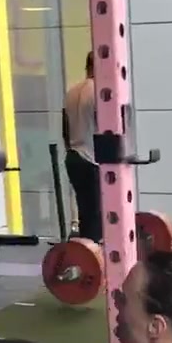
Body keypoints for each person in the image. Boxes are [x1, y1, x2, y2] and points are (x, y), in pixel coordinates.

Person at [62, 52, 101, 242]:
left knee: (85, 212)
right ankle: (94, 253)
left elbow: (65, 130)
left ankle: (85, 250)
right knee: (96, 215)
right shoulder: (100, 93)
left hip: (73, 157)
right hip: (92, 158)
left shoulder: (71, 92)